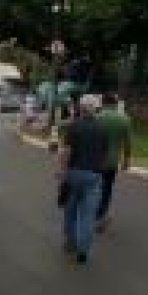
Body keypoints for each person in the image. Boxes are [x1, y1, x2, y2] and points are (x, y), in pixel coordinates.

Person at [58, 94, 109, 264]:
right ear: (96, 109)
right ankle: (83, 250)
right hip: (94, 175)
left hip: (74, 173)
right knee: (88, 214)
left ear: (80, 107)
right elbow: (104, 153)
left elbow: (67, 151)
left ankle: (70, 242)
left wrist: (62, 171)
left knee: (71, 210)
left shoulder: (74, 126)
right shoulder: (103, 128)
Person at [95, 93, 132, 232]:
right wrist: (127, 159)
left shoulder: (97, 117)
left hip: (95, 159)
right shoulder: (124, 120)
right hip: (112, 161)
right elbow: (127, 142)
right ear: (116, 103)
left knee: (95, 188)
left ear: (103, 103)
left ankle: (93, 213)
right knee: (107, 189)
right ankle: (102, 216)